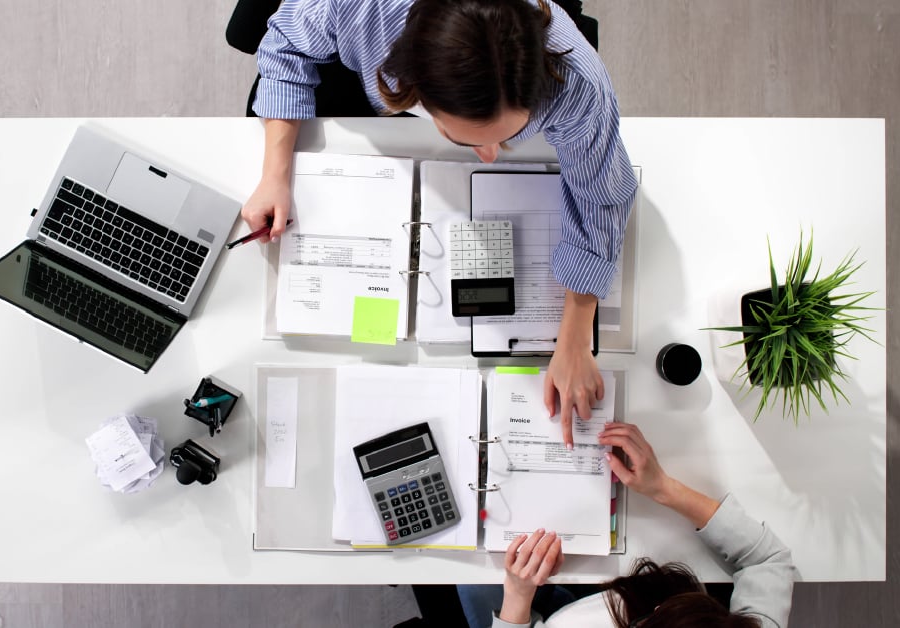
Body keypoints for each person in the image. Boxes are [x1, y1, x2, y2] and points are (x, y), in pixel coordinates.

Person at [242, 0, 639, 446]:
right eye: (464, 137)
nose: (487, 157)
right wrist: (274, 174)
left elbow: (601, 199)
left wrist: (574, 338)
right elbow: (285, 43)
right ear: (414, 82)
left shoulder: (578, 82)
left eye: (507, 135)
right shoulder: (355, 9)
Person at [457, 423, 796, 627]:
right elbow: (767, 561)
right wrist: (663, 487)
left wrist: (518, 595)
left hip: (549, 614)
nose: (654, 611)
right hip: (599, 594)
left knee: (469, 575)